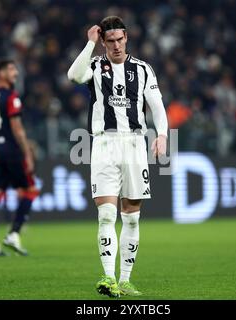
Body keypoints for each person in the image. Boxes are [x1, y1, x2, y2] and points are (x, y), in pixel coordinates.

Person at [67, 16, 168, 297]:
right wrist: (89, 44)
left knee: (132, 218)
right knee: (106, 214)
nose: (116, 46)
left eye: (120, 39)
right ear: (103, 41)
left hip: (135, 144)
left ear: (127, 38)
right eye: (109, 41)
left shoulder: (143, 69)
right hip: (103, 145)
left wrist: (162, 135)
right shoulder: (96, 66)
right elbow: (73, 75)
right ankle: (108, 278)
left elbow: (156, 105)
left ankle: (125, 280)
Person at [0, 59, 39, 257]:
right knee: (30, 190)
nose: (15, 73)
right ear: (0, 73)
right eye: (11, 69)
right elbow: (17, 129)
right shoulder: (11, 97)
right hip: (9, 150)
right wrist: (27, 153)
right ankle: (13, 233)